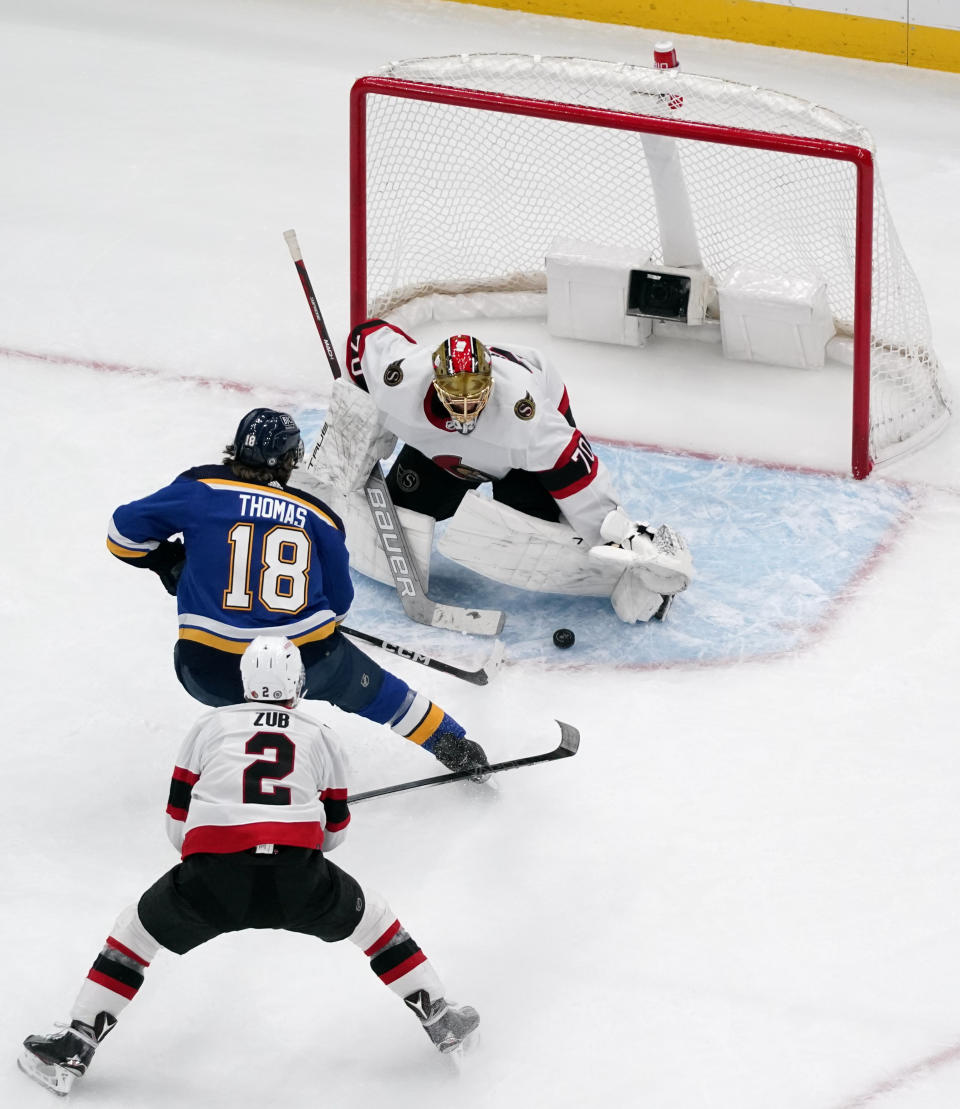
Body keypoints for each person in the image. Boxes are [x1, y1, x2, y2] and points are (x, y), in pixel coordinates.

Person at [19, 637, 480, 1097]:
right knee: (376, 923)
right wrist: (303, 816)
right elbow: (334, 835)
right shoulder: (319, 735)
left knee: (134, 936)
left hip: (211, 876)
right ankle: (442, 1018)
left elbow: (177, 826)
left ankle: (76, 1045)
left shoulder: (210, 726)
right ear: (297, 682)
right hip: (299, 877)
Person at [106, 407, 488, 777]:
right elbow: (339, 607)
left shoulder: (201, 488)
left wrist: (171, 563)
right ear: (289, 459)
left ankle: (242, 757)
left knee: (218, 668)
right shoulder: (318, 515)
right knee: (381, 692)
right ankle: (454, 746)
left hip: (207, 671)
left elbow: (122, 534)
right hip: (308, 661)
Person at [303, 321, 694, 624]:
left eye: (477, 393)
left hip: (519, 459)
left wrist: (617, 533)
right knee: (402, 511)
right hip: (442, 456)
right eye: (456, 396)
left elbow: (575, 470)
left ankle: (617, 566)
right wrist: (360, 405)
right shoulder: (399, 379)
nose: (467, 406)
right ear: (434, 382)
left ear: (491, 382)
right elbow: (363, 338)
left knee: (540, 530)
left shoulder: (525, 414)